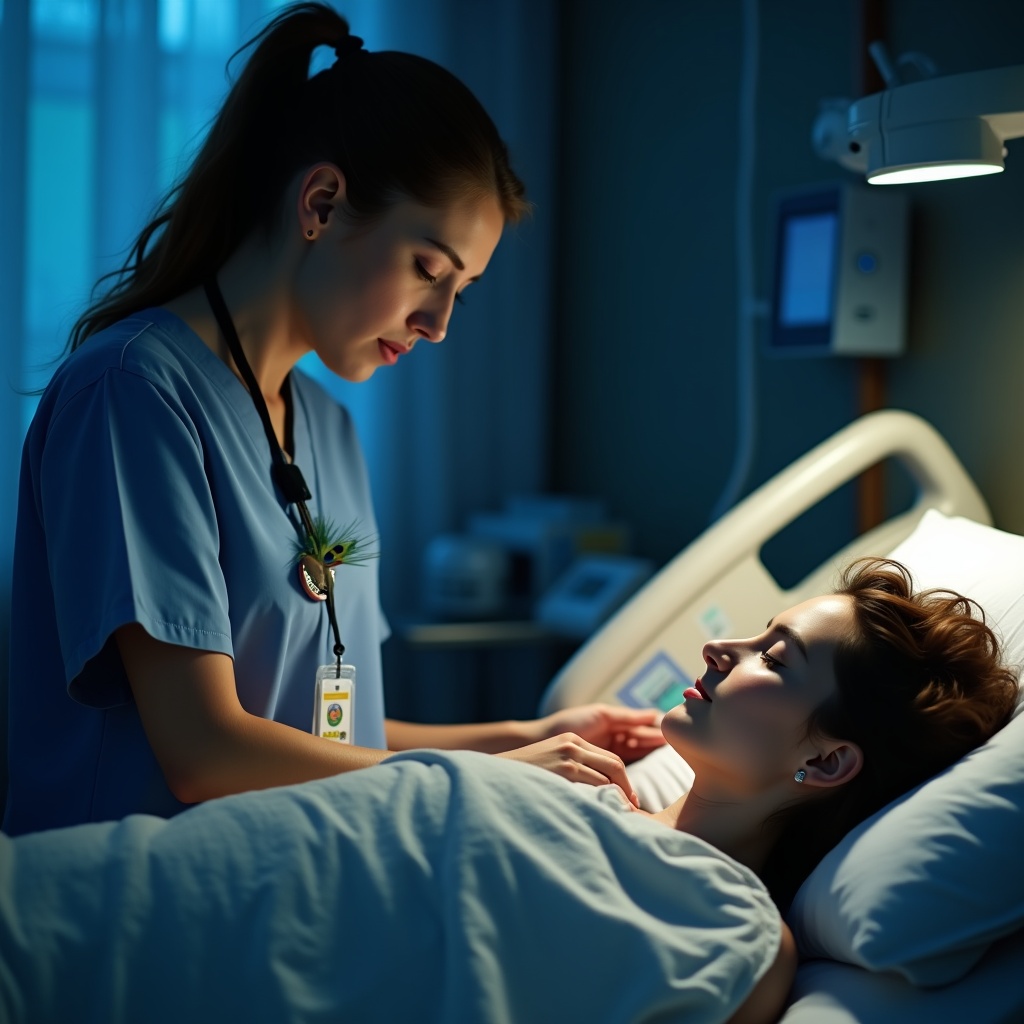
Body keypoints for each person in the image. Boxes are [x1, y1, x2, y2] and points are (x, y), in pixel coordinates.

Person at [2, 2, 664, 837]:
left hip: (292, 882)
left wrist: (530, 737)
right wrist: (489, 775)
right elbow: (206, 751)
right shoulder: (133, 392)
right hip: (138, 910)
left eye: (462, 291)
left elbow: (330, 737)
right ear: (320, 203)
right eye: (429, 270)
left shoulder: (327, 430)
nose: (439, 324)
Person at [0, 558, 1014, 1024]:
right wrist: (517, 748)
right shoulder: (583, 780)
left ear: (825, 762)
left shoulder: (735, 943)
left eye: (772, 654)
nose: (721, 640)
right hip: (72, 901)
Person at [649, 556, 1020, 910]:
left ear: (824, 761)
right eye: (761, 635)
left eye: (773, 658)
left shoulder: (736, 933)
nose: (714, 648)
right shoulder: (598, 791)